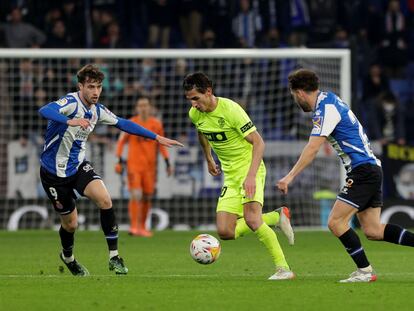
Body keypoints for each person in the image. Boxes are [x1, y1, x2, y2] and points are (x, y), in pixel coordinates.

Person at [38, 64, 182, 276]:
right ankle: (68, 257)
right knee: (71, 225)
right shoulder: (69, 102)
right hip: (53, 174)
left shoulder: (98, 111)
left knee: (105, 200)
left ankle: (114, 257)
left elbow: (123, 123)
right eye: (91, 87)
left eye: (99, 87)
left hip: (77, 167)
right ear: (81, 87)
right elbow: (44, 110)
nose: (96, 92)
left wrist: (156, 137)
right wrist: (70, 120)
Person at [277, 68, 414, 283]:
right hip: (370, 168)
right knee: (373, 230)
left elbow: (312, 149)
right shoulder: (330, 99)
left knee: (335, 222)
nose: (295, 100)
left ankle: (365, 271)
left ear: (300, 92)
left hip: (363, 170)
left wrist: (290, 176)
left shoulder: (325, 109)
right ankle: (365, 270)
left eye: (294, 95)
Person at [184, 72, 295, 280]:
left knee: (253, 220)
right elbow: (202, 132)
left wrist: (251, 176)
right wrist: (208, 157)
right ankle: (276, 216)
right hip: (230, 175)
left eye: (195, 98)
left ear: (208, 92)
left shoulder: (231, 110)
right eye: (189, 99)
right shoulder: (195, 114)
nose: (193, 104)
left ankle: (284, 268)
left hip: (249, 169)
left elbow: (259, 142)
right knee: (225, 231)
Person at [115, 96, 172, 237]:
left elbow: (162, 144)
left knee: (147, 196)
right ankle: (134, 227)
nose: (143, 108)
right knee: (136, 194)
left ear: (150, 107)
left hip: (150, 168)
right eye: (140, 105)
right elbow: (121, 142)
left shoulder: (156, 124)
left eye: (146, 105)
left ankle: (142, 227)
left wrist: (167, 162)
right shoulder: (131, 123)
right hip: (134, 166)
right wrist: (118, 160)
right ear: (136, 108)